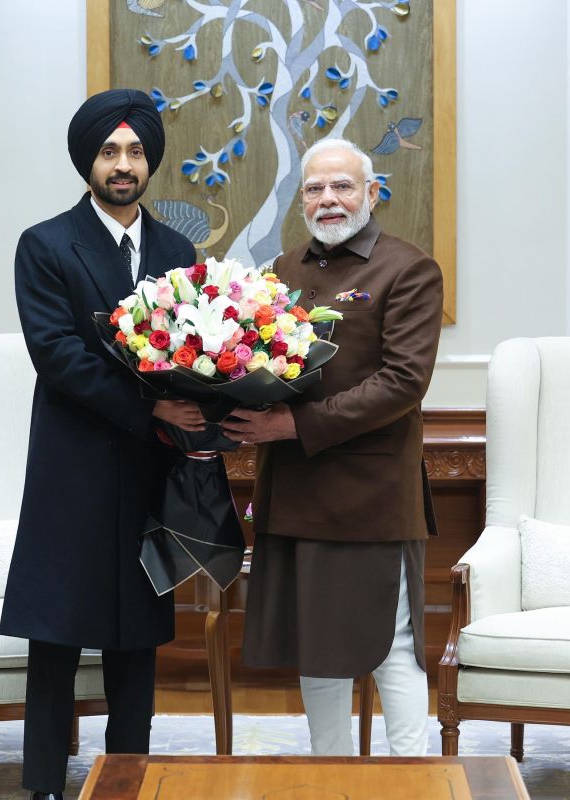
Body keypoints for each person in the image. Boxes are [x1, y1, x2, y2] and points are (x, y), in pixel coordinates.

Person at [0, 89, 205, 800]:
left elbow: (198, 349)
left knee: (136, 632)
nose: (124, 165)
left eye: (136, 152)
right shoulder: (46, 244)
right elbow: (58, 356)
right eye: (110, 151)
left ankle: (129, 777)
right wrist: (155, 409)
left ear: (150, 163)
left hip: (149, 474)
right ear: (87, 159)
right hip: (73, 467)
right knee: (56, 634)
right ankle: (43, 785)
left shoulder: (180, 252)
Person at [221, 138, 443, 757]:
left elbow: (404, 382)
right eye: (315, 189)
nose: (328, 200)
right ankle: (330, 773)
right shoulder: (281, 273)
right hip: (295, 490)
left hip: (371, 498)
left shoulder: (410, 268)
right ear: (302, 202)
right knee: (315, 647)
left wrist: (292, 426)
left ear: (372, 194)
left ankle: (411, 781)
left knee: (390, 644)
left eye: (343, 186)